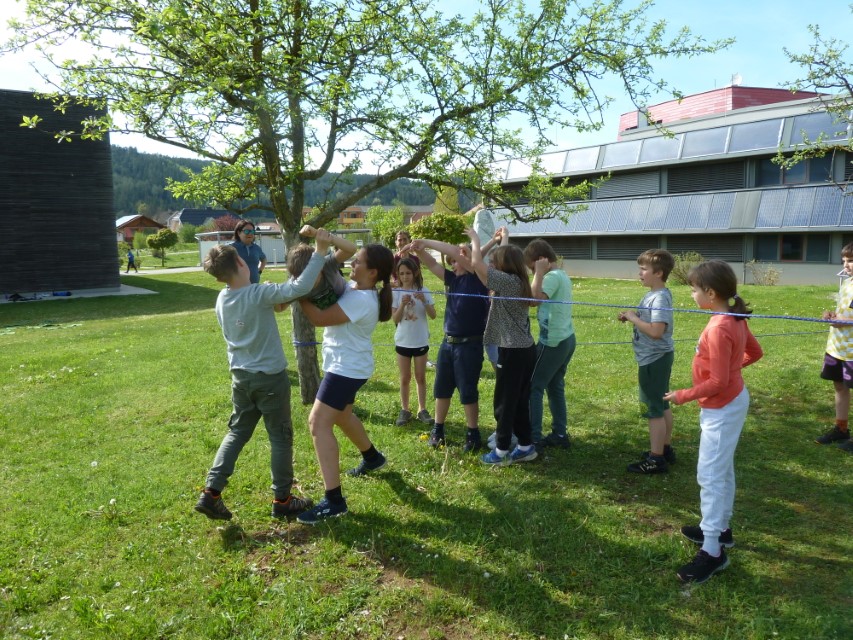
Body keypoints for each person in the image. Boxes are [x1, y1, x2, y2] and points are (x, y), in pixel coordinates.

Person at [194, 230, 332, 521]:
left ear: (218, 278)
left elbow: (266, 306)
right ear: (242, 263)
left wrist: (272, 296)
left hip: (241, 379)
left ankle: (211, 492)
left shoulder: (222, 298)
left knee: (237, 432)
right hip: (270, 379)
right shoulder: (259, 294)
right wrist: (320, 251)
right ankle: (282, 499)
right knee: (280, 438)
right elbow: (299, 286)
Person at [663, 260, 763, 584]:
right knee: (722, 469)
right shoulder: (733, 316)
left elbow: (718, 382)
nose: (691, 294)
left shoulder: (721, 326)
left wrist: (683, 395)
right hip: (730, 402)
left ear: (710, 293)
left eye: (693, 289)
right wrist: (732, 370)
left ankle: (713, 551)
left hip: (723, 407)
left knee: (710, 475)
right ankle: (720, 530)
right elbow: (754, 353)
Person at [295, 244, 394, 525]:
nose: (352, 263)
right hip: (349, 366)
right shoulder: (354, 288)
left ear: (373, 273)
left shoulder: (361, 299)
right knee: (342, 415)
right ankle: (372, 458)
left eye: (358, 261)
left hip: (345, 370)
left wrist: (297, 292)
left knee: (318, 423)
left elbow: (319, 318)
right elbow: (335, 259)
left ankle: (334, 501)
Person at [407, 236, 491, 452]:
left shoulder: (478, 277)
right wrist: (419, 251)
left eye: (456, 261)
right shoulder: (453, 280)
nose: (453, 264)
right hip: (448, 343)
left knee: (467, 391)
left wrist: (426, 241)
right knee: (441, 389)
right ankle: (438, 430)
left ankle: (473, 434)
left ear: (469, 259)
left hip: (469, 345)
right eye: (451, 262)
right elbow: (432, 264)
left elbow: (455, 251)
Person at [465, 227, 538, 465]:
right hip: (524, 349)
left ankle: (501, 451)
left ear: (503, 265)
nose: (491, 265)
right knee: (518, 400)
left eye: (494, 262)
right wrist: (502, 240)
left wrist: (475, 239)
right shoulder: (516, 281)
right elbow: (484, 267)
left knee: (504, 402)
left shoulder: (507, 282)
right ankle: (525, 446)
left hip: (513, 351)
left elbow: (475, 263)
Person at [618, 249, 676, 474]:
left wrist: (634, 318)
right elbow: (651, 322)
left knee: (654, 409)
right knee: (662, 403)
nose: (640, 273)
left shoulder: (659, 297)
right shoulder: (655, 294)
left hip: (653, 359)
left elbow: (656, 331)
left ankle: (656, 459)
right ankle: (664, 448)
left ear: (658, 273)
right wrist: (632, 316)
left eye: (644, 269)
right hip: (657, 358)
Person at [524, 239, 576, 452]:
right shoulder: (561, 274)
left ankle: (534, 438)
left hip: (552, 342)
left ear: (540, 261)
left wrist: (538, 273)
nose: (531, 272)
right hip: (566, 338)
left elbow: (534, 300)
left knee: (533, 386)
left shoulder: (551, 277)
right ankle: (560, 434)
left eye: (531, 267)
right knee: (554, 386)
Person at [815, 242, 853, 453]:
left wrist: (842, 321)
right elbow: (844, 312)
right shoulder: (847, 283)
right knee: (839, 386)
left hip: (852, 352)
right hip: (837, 347)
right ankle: (841, 428)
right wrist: (832, 315)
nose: (845, 265)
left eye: (851, 261)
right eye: (844, 260)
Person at [392, 257, 437, 426]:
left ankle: (422, 409)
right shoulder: (396, 293)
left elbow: (433, 315)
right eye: (402, 273)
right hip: (403, 341)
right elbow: (395, 318)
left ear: (415, 273)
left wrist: (424, 301)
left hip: (420, 341)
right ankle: (405, 409)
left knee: (420, 377)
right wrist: (402, 305)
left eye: (408, 273)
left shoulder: (424, 290)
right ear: (398, 274)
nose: (405, 277)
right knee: (405, 377)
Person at [287, 225, 358, 309]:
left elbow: (351, 249)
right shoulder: (295, 283)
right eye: (304, 277)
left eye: (312, 273)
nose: (309, 280)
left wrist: (319, 234)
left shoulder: (326, 264)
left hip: (348, 302)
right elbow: (280, 307)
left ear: (319, 264)